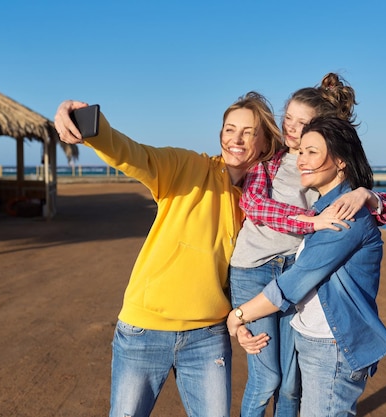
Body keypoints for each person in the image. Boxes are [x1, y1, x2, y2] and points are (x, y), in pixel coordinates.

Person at [54, 92, 283, 417]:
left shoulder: (261, 200)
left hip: (207, 336)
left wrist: (363, 194)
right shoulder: (187, 167)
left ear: (263, 142)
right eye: (230, 129)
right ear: (220, 134)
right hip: (143, 330)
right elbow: (134, 155)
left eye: (248, 132)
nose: (237, 139)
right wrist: (90, 127)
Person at [229, 73, 386, 417]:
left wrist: (369, 195)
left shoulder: (334, 186)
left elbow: (375, 212)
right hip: (255, 269)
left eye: (302, 124)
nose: (291, 129)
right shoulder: (271, 160)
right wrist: (309, 220)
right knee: (268, 378)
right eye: (287, 118)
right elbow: (256, 205)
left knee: (291, 384)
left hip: (293, 270)